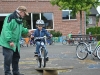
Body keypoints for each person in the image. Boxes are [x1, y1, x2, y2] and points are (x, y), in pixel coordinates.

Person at [0, 6, 33, 75]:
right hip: (8, 42)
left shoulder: (19, 19)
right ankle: (7, 73)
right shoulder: (10, 17)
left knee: (16, 58)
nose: (24, 15)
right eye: (24, 13)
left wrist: (27, 31)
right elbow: (6, 30)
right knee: (8, 59)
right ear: (21, 12)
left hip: (15, 43)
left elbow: (21, 29)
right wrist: (10, 40)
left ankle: (16, 72)